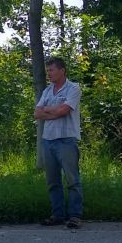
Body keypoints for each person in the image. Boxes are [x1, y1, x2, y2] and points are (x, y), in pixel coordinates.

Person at [34, 56, 83, 229]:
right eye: (48, 71)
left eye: (52, 70)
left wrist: (50, 111)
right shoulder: (47, 91)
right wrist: (53, 111)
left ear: (62, 71)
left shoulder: (73, 89)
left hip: (66, 139)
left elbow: (64, 110)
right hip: (48, 140)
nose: (49, 74)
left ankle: (75, 216)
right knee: (53, 181)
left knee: (72, 179)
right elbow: (37, 113)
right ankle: (58, 214)